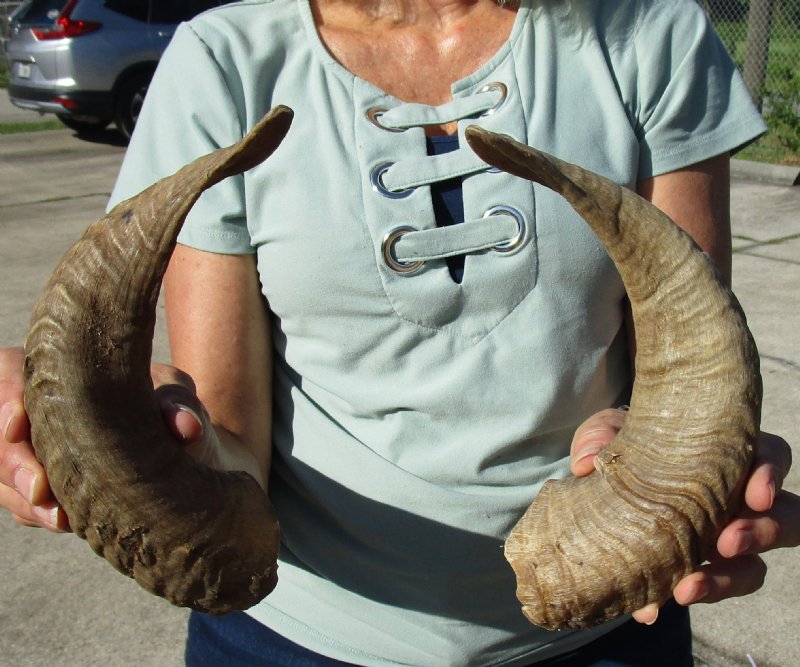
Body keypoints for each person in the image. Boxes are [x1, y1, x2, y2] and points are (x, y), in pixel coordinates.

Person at [0, 0, 797, 664]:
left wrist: (663, 460)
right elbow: (233, 436)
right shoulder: (222, 60)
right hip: (296, 639)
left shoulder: (645, 31)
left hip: (606, 632)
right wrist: (166, 447)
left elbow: (684, 355)